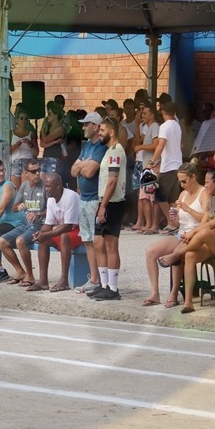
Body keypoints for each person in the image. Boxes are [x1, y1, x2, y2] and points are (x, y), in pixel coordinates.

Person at [157, 167, 215, 314]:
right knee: (190, 255)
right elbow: (205, 221)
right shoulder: (212, 199)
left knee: (204, 233)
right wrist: (191, 232)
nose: (205, 185)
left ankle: (176, 254)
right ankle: (188, 301)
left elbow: (214, 223)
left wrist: (193, 232)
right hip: (212, 241)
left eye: (207, 183)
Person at [142, 163, 204, 308]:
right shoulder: (183, 194)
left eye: (184, 181)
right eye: (180, 182)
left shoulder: (204, 193)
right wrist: (173, 217)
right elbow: (177, 223)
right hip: (181, 234)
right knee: (150, 251)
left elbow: (206, 219)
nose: (182, 185)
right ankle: (155, 293)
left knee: (176, 254)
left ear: (193, 177)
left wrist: (188, 209)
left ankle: (174, 293)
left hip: (196, 235)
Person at [70, 111, 108, 295]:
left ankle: (102, 280)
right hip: (83, 198)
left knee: (97, 241)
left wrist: (82, 166)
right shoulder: (86, 147)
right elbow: (73, 170)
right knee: (87, 240)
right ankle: (94, 278)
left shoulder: (101, 146)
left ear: (95, 126)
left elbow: (90, 171)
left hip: (94, 199)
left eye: (86, 124)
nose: (83, 127)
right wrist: (82, 165)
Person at [92, 116, 127, 301]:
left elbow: (112, 181)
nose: (99, 133)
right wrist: (100, 204)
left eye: (102, 130)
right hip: (104, 201)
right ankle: (104, 284)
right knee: (98, 243)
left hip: (113, 203)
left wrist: (103, 206)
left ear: (111, 132)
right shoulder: (108, 151)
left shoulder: (116, 151)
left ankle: (113, 288)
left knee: (111, 245)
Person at [27, 172, 81, 293]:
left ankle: (64, 281)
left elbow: (68, 226)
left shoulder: (70, 196)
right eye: (45, 186)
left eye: (48, 186)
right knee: (43, 240)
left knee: (64, 237)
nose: (45, 189)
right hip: (67, 229)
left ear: (57, 185)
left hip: (80, 230)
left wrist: (45, 234)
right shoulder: (51, 200)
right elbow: (48, 225)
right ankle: (43, 281)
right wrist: (40, 234)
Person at [0, 158, 47, 286]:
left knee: (20, 241)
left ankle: (30, 276)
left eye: (39, 170)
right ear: (26, 173)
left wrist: (38, 214)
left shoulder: (45, 186)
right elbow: (14, 207)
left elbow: (54, 209)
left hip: (42, 225)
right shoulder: (24, 186)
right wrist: (19, 206)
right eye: (34, 171)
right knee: (1, 242)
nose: (37, 173)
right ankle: (20, 272)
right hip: (26, 225)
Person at [147, 101, 183, 234]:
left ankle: (171, 222)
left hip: (168, 166)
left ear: (163, 112)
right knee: (172, 198)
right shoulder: (177, 126)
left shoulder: (164, 126)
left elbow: (161, 145)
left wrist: (151, 162)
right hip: (177, 165)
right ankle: (175, 222)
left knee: (160, 195)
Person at [131, 104, 160, 233]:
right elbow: (139, 140)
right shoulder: (148, 128)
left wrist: (142, 147)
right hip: (146, 166)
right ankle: (148, 224)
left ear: (152, 115)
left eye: (145, 113)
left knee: (149, 197)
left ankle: (151, 225)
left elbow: (156, 145)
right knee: (144, 197)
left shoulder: (155, 126)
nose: (143, 115)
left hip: (152, 166)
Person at [40, 101, 67, 183]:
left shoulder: (60, 129)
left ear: (56, 115)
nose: (47, 116)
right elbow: (42, 143)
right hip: (46, 157)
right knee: (43, 182)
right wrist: (54, 142)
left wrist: (43, 127)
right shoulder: (48, 127)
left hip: (55, 158)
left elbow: (45, 140)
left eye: (50, 114)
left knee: (51, 182)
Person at [9, 110, 38, 189]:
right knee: (16, 190)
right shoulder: (11, 133)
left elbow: (36, 153)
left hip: (27, 162)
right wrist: (16, 145)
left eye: (26, 119)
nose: (24, 120)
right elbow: (6, 151)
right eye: (21, 118)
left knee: (26, 190)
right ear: (17, 120)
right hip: (14, 162)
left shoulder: (31, 133)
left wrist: (30, 144)